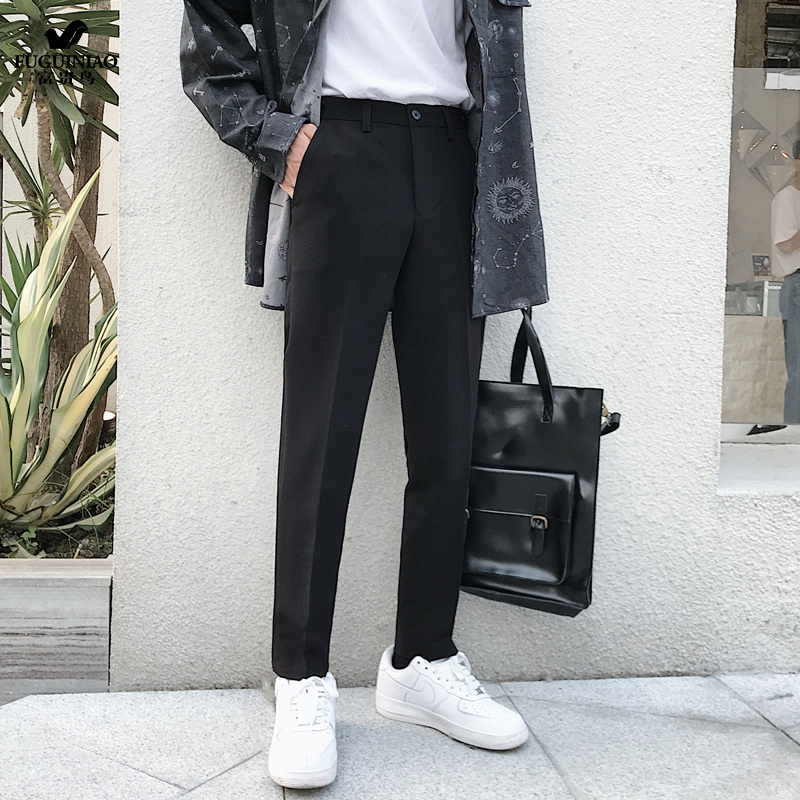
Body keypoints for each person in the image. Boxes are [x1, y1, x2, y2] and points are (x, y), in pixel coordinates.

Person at [180, 0, 549, 788]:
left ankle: (423, 659)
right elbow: (209, 20)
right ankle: (301, 675)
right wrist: (272, 134)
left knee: (448, 435)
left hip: (455, 155)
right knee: (322, 438)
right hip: (339, 149)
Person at [770, 139, 800, 425]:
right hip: (797, 285)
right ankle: (795, 433)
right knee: (799, 369)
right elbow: (787, 246)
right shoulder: (787, 199)